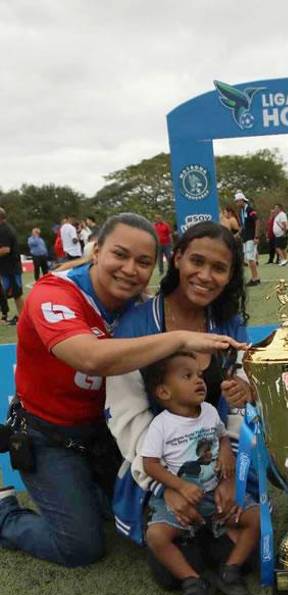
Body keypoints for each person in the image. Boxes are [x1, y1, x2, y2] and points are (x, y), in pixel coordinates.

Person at [0, 214, 242, 568]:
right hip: (52, 436)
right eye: (120, 255)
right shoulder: (53, 293)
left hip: (105, 433)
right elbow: (90, 359)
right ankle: (5, 511)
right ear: (96, 250)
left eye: (143, 262)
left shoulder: (135, 303)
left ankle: (87, 493)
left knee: (134, 513)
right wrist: (177, 338)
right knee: (81, 546)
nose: (130, 269)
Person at [105, 220, 256, 578]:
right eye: (197, 262)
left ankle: (212, 524)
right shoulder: (136, 326)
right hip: (160, 470)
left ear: (231, 275)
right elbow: (126, 416)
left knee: (244, 559)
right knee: (172, 572)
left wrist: (228, 475)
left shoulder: (229, 325)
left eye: (219, 268)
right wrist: (166, 486)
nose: (205, 275)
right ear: (177, 259)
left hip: (220, 463)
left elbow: (239, 407)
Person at [139, 352, 259, 595]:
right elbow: (150, 464)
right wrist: (178, 487)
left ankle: (231, 569)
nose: (199, 381)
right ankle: (191, 582)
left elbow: (222, 437)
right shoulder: (161, 425)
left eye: (200, 375)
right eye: (187, 376)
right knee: (156, 536)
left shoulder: (209, 411)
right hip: (181, 499)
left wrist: (226, 452)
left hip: (215, 493)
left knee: (258, 518)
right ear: (164, 392)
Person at [0, 207, 24, 325]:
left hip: (11, 268)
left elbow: (5, 249)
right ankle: (17, 317)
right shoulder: (5, 228)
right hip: (8, 268)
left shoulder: (4, 230)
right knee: (12, 294)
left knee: (16, 294)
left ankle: (24, 319)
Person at [234, 191, 261, 286]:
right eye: (236, 202)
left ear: (242, 200)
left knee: (250, 258)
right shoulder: (241, 211)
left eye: (238, 201)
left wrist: (256, 236)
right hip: (245, 238)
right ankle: (256, 278)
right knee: (249, 258)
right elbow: (243, 226)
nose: (237, 203)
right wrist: (237, 235)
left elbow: (257, 221)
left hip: (251, 238)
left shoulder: (249, 209)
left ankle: (255, 278)